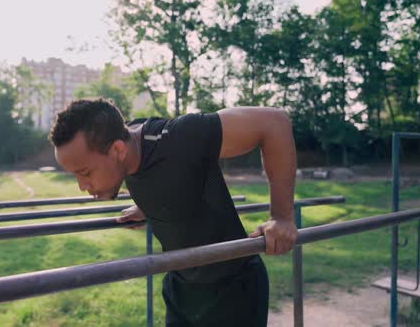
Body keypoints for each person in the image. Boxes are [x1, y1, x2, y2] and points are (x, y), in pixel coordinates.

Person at [50, 98, 297, 327]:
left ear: (117, 151)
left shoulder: (179, 136)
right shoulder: (125, 148)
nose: (82, 186)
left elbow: (274, 122)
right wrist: (149, 206)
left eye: (84, 173)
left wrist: (282, 217)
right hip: (181, 289)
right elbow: (166, 178)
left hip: (234, 289)